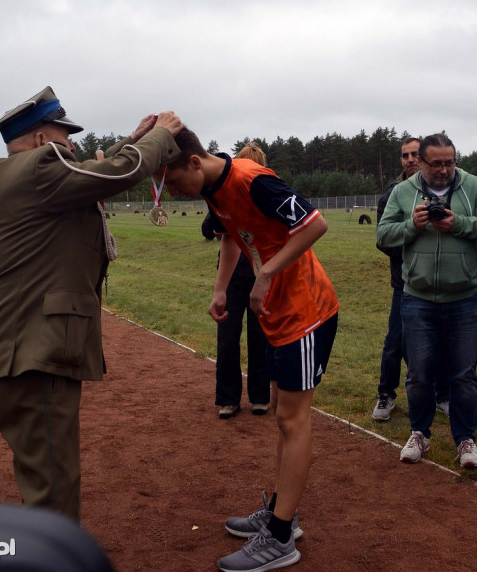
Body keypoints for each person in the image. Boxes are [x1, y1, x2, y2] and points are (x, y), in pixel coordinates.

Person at [0, 86, 182, 522]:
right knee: (54, 483)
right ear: (38, 141)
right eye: (64, 137)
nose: (72, 145)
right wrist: (160, 137)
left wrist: (131, 140)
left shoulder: (25, 175)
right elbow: (111, 175)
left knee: (44, 473)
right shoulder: (38, 169)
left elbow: (91, 173)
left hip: (21, 351)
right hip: (33, 352)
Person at [162, 127, 338, 572]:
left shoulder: (252, 180)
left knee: (291, 419)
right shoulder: (215, 189)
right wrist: (221, 289)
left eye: (176, 181)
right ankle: (283, 511)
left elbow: (315, 223)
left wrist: (266, 274)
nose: (177, 192)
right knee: (282, 414)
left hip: (305, 311)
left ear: (194, 163)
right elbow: (229, 236)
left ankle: (280, 538)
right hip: (278, 313)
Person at [377, 133, 477, 469]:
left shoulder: (473, 186)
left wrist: (459, 223)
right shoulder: (403, 192)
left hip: (464, 299)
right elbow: (383, 234)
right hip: (416, 298)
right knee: (418, 373)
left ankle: (465, 439)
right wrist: (412, 225)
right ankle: (420, 433)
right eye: (437, 163)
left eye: (450, 162)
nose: (444, 169)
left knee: (463, 374)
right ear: (420, 161)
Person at [210, 142, 271, 419]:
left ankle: (260, 397)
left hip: (261, 275)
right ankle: (228, 398)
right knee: (228, 337)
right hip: (233, 275)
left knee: (260, 338)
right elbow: (212, 228)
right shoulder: (227, 194)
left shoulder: (266, 192)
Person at [371, 137, 421, 420]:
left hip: (437, 285)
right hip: (404, 283)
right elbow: (383, 240)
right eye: (405, 155)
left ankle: (440, 394)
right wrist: (414, 241)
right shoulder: (391, 194)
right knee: (395, 342)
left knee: (435, 343)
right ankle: (386, 395)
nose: (410, 159)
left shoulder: (439, 189)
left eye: (415, 154)